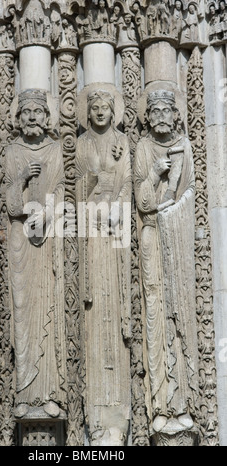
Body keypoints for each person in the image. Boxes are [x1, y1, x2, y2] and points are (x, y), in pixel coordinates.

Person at [133, 89, 199, 442]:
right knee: (156, 314)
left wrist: (172, 208)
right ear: (147, 118)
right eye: (153, 111)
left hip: (177, 239)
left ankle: (183, 401)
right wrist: (157, 173)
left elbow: (189, 193)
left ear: (176, 116)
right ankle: (159, 403)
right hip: (151, 240)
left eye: (166, 111)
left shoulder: (185, 147)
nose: (160, 116)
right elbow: (142, 200)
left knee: (179, 313)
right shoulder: (144, 149)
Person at [5, 89, 67, 419]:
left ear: (47, 118)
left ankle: (50, 393)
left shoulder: (56, 151)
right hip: (20, 247)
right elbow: (11, 204)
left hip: (48, 243)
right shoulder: (12, 153)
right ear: (18, 118)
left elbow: (61, 190)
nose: (32, 116)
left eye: (38, 111)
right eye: (26, 111)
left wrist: (47, 211)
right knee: (23, 316)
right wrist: (21, 178)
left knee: (49, 315)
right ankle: (23, 393)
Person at [76, 89, 131, 446]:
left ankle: (119, 412)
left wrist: (117, 197)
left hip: (116, 235)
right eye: (93, 107)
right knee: (95, 315)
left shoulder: (123, 141)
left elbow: (128, 183)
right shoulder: (81, 144)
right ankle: (95, 414)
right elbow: (79, 187)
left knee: (115, 310)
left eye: (104, 107)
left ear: (114, 111)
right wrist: (97, 177)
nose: (98, 112)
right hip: (92, 237)